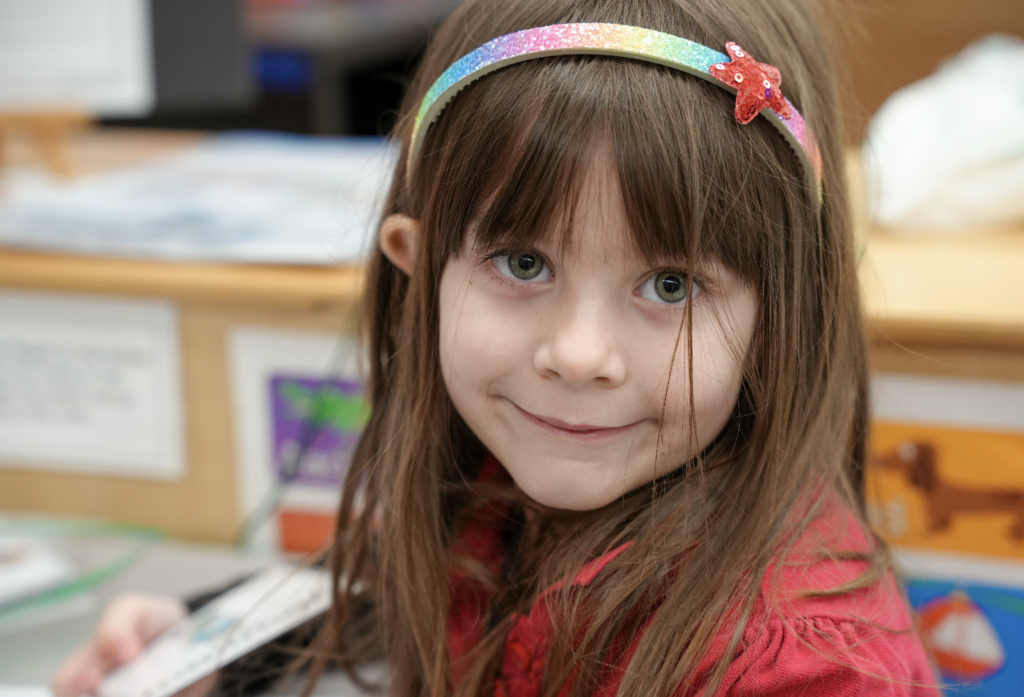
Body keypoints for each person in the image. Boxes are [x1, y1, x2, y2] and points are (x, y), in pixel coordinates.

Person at [53, 0, 941, 695]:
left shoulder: (810, 669)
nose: (579, 354)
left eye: (669, 284)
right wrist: (204, 639)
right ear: (416, 266)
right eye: (524, 263)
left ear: (779, 319)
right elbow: (408, 588)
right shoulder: (498, 466)